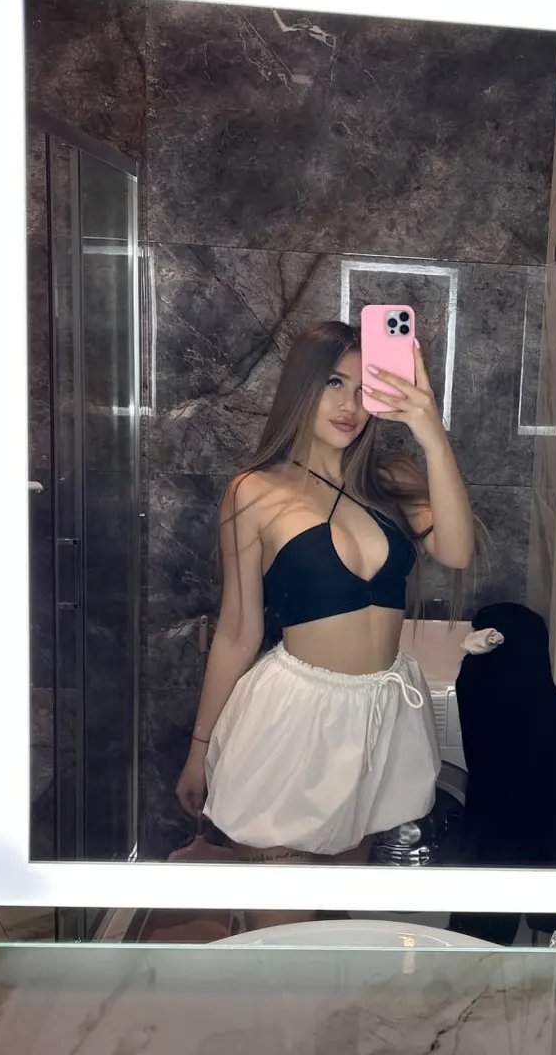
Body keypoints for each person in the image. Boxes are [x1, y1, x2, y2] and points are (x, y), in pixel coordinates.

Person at [175, 319, 474, 925]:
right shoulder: (254, 491)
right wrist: (199, 749)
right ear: (302, 386)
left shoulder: (391, 478)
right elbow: (238, 631)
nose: (349, 405)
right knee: (282, 938)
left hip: (378, 722)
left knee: (335, 926)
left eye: (364, 388)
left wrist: (431, 434)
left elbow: (458, 550)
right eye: (334, 383)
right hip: (292, 722)